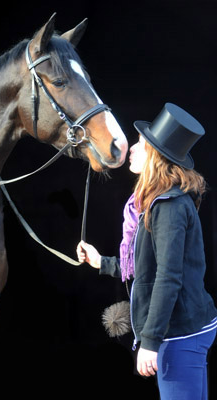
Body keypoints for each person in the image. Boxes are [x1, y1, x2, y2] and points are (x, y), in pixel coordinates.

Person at [76, 103, 217, 400]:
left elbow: (168, 276)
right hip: (185, 328)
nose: (134, 149)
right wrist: (102, 262)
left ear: (154, 156)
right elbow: (147, 266)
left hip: (179, 333)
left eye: (140, 144)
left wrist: (151, 342)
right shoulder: (156, 202)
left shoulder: (168, 206)